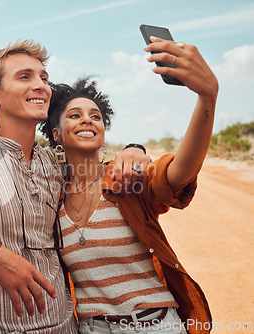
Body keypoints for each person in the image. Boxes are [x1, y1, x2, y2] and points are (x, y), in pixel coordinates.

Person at [0, 39, 150, 333]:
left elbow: (97, 162)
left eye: (44, 77)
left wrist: (135, 149)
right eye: (25, 77)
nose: (41, 85)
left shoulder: (56, 166)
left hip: (68, 327)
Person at [40, 36, 217, 334]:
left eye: (95, 116)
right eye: (75, 115)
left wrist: (207, 97)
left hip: (155, 326)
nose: (87, 120)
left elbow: (181, 171)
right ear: (56, 134)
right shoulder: (51, 196)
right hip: (91, 329)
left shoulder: (126, 179)